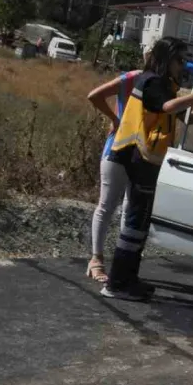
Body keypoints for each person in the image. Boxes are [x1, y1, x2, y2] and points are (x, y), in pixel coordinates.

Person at [101, 36, 193, 301]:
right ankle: (117, 283)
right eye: (179, 60)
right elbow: (168, 107)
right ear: (166, 59)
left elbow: (180, 116)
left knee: (140, 223)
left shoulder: (164, 85)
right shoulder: (151, 82)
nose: (182, 66)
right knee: (134, 224)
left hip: (148, 160)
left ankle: (129, 279)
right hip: (138, 157)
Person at [84, 51, 148, 282]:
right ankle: (96, 259)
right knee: (107, 205)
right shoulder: (131, 78)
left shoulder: (160, 86)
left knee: (129, 209)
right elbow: (94, 96)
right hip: (118, 149)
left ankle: (120, 264)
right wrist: (114, 118)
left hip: (142, 154)